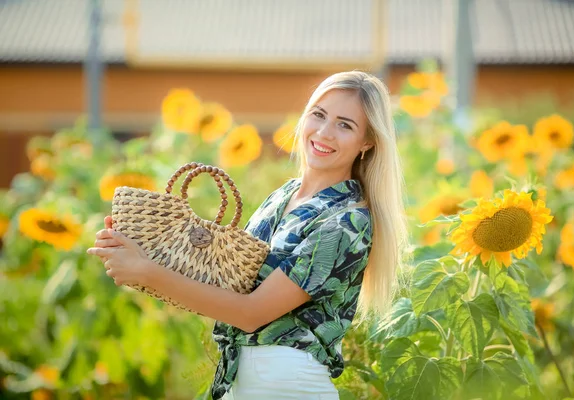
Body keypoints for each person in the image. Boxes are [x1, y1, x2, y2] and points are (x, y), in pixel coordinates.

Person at [88, 70, 409, 400]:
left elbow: (251, 313)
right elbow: (223, 281)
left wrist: (147, 272)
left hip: (288, 385)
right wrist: (141, 248)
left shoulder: (347, 223)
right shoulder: (285, 196)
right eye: (319, 114)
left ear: (367, 142)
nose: (324, 132)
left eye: (345, 125)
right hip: (245, 380)